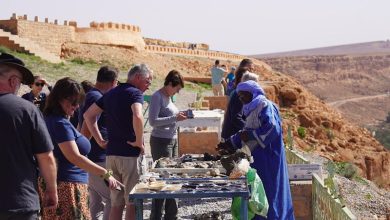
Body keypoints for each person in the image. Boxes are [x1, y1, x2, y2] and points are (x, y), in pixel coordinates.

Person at [42, 77, 122, 220]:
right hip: (67, 186)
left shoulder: (51, 119)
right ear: (60, 99)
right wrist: (104, 173)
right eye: (73, 102)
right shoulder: (60, 123)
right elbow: (74, 157)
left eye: (78, 102)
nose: (76, 106)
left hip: (63, 183)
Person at [84, 64, 153, 220]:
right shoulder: (135, 94)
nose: (149, 86)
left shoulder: (111, 93)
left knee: (115, 203)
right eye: (148, 81)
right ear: (137, 77)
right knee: (132, 202)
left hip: (110, 158)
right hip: (129, 157)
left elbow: (88, 115)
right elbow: (138, 116)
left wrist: (99, 140)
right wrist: (138, 141)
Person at [219, 80, 294, 220]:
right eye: (239, 96)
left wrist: (251, 135)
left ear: (253, 93)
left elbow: (272, 128)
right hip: (257, 160)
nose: (241, 99)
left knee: (271, 193)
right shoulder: (251, 109)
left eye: (244, 95)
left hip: (269, 159)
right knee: (257, 192)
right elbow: (246, 132)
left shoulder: (266, 106)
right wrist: (229, 143)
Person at [0, 52, 58, 219]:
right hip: (18, 202)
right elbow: (46, 157)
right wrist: (51, 189)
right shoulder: (26, 110)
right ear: (12, 81)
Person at [80, 66, 118, 220]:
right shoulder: (96, 97)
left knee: (95, 200)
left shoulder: (90, 95)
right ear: (113, 82)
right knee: (111, 197)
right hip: (100, 158)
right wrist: (100, 141)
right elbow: (88, 123)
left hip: (93, 157)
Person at [148, 70, 187, 220]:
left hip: (172, 141)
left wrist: (180, 117)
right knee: (162, 180)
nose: (177, 92)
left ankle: (172, 216)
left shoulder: (169, 97)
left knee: (174, 179)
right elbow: (153, 122)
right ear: (170, 83)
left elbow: (170, 117)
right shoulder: (158, 97)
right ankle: (156, 216)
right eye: (176, 89)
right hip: (161, 142)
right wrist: (174, 118)